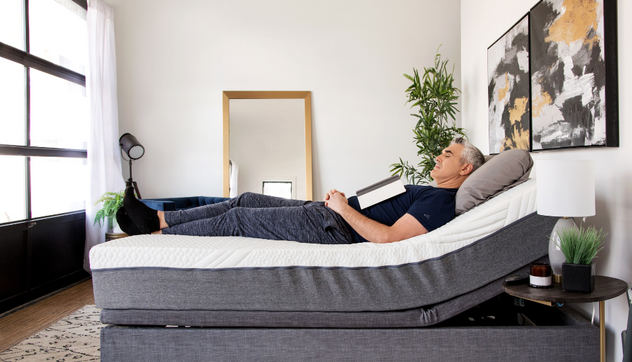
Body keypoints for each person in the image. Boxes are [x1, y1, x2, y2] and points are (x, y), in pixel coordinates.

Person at [117, 137, 485, 245]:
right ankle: (160, 217)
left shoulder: (440, 201)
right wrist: (340, 203)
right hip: (330, 214)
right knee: (245, 199)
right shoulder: (431, 191)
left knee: (240, 218)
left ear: (465, 169)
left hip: (334, 228)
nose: (438, 158)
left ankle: (157, 233)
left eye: (447, 155)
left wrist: (342, 209)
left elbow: (388, 239)